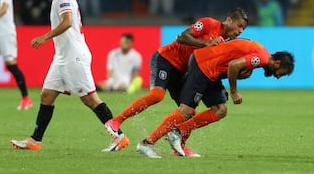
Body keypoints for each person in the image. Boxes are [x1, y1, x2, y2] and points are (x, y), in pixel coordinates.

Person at [10, 0, 129, 152]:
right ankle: (35, 140)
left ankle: (120, 137)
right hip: (62, 57)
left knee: (90, 99)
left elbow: (66, 22)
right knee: (47, 95)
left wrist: (44, 37)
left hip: (74, 57)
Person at [105, 8, 248, 156]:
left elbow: (211, 65)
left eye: (244, 28)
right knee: (157, 95)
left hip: (183, 72)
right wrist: (205, 44)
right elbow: (182, 37)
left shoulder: (226, 43)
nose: (241, 30)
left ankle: (179, 147)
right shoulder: (209, 24)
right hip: (165, 59)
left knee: (189, 112)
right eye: (239, 25)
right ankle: (116, 122)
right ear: (229, 20)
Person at [136, 39, 294, 158]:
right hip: (204, 65)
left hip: (212, 69)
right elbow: (233, 65)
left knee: (220, 110)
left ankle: (178, 132)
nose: (279, 77)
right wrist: (234, 91)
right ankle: (147, 143)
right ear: (277, 63)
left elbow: (232, 62)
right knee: (187, 110)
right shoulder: (263, 58)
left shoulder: (261, 53)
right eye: (282, 72)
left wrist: (237, 75)